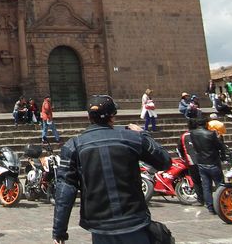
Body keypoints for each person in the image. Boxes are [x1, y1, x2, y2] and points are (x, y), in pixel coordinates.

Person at [52, 95, 171, 244]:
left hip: (100, 226)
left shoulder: (74, 146)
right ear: (112, 117)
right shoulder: (132, 139)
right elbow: (165, 161)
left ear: (89, 117)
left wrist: (59, 232)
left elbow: (65, 191)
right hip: (134, 222)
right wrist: (143, 134)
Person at [190, 117, 228, 214]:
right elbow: (219, 146)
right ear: (206, 124)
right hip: (213, 162)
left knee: (206, 186)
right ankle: (222, 205)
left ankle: (210, 207)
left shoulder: (193, 133)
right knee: (220, 185)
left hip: (201, 162)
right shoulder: (211, 134)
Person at [178, 119, 204, 207]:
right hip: (204, 160)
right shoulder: (201, 133)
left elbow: (180, 149)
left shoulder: (183, 136)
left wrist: (183, 158)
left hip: (191, 161)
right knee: (206, 180)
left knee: (196, 181)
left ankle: (201, 199)